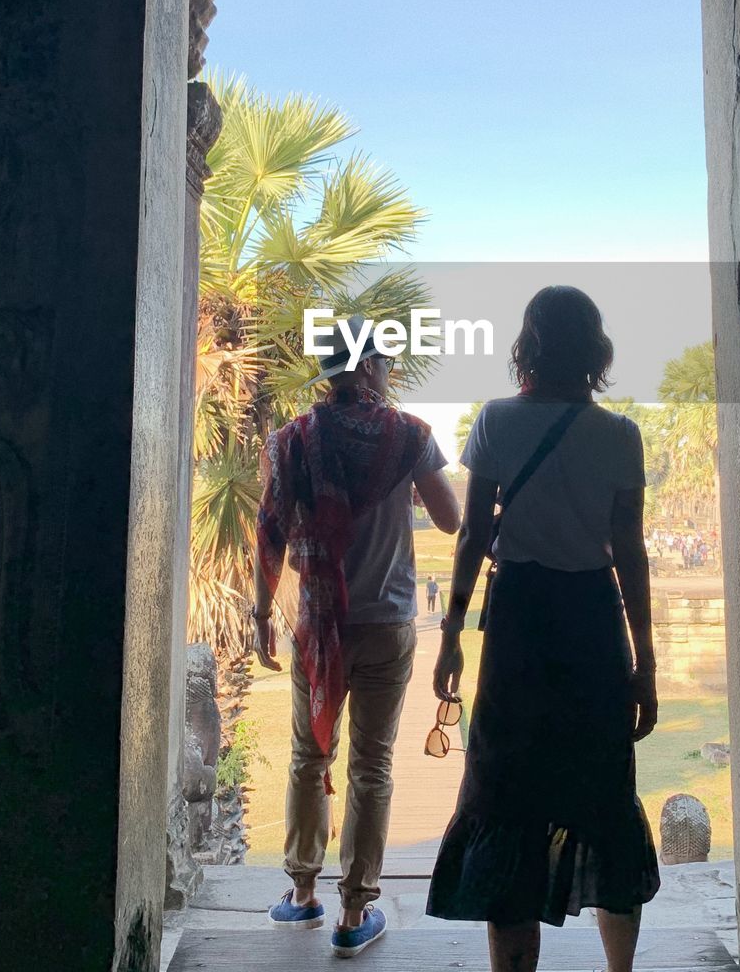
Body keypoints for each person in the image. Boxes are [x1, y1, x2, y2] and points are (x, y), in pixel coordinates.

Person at [426, 286, 660, 972]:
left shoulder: (496, 422)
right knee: (607, 796)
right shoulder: (620, 436)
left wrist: (451, 635)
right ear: (596, 352)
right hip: (593, 627)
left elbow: (472, 537)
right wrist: (645, 664)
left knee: (506, 800)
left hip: (519, 631)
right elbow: (631, 555)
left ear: (527, 346)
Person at [254, 314, 461, 958]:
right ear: (371, 368)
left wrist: (262, 610)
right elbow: (451, 519)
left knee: (307, 756)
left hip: (319, 625)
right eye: (386, 364)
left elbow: (269, 533)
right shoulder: (408, 437)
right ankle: (353, 911)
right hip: (388, 621)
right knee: (372, 765)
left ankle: (303, 894)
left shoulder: (291, 441)